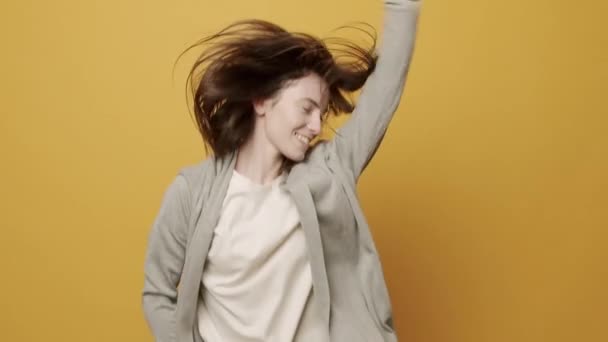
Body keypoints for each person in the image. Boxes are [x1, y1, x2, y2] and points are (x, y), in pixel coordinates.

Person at [142, 1, 421, 341]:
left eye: (321, 113)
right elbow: (157, 293)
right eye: (306, 108)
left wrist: (403, 6)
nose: (316, 125)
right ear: (261, 101)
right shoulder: (192, 191)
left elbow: (385, 87)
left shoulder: (328, 173)